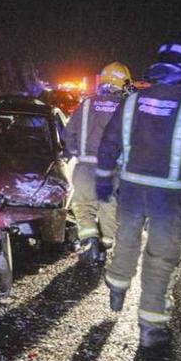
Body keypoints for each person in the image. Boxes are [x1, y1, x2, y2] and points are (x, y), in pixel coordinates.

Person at [95, 36, 181, 348]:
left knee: (126, 239)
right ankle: (151, 329)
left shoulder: (131, 102)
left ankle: (116, 286)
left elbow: (108, 145)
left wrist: (102, 180)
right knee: (161, 255)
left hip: (130, 190)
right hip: (168, 197)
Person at [62, 61, 131, 265]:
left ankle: (90, 240)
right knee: (108, 207)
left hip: (84, 169)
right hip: (110, 170)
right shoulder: (125, 108)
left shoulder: (86, 104)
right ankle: (106, 244)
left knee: (83, 208)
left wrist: (78, 153)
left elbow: (68, 134)